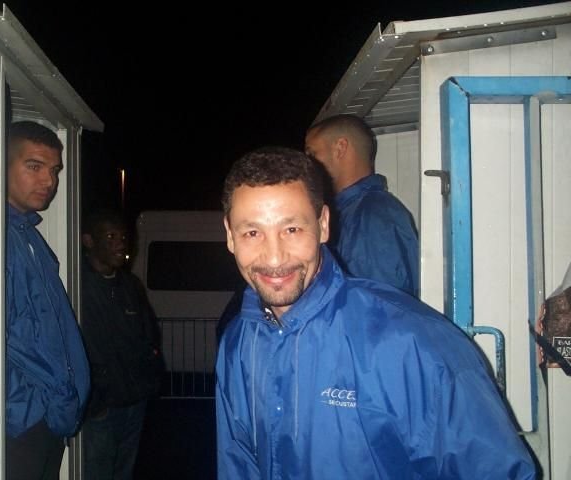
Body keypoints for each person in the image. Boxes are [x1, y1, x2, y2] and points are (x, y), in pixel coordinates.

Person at [216, 147, 536, 479]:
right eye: (252, 233)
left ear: (323, 225)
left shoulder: (415, 342)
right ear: (230, 236)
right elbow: (237, 465)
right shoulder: (238, 343)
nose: (274, 257)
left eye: (292, 229)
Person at [5, 121, 90, 479]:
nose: (49, 181)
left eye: (54, 170)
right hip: (23, 421)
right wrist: (27, 408)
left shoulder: (30, 237)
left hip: (49, 414)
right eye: (34, 166)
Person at [80, 208, 161, 480]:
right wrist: (95, 402)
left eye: (123, 237)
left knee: (123, 472)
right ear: (89, 241)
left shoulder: (130, 285)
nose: (120, 243)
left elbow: (149, 335)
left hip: (133, 401)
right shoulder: (78, 287)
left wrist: (148, 381)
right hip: (101, 408)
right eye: (110, 236)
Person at [305, 114, 419, 296]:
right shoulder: (353, 211)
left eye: (312, 154)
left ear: (340, 148)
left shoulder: (372, 217)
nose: (308, 164)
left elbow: (379, 304)